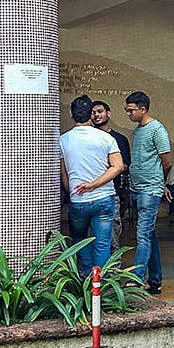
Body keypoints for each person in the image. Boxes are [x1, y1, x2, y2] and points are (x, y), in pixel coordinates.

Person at [60, 95, 123, 277]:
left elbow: (63, 173)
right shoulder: (106, 138)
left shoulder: (63, 140)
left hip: (78, 200)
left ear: (71, 114)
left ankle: (87, 278)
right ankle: (101, 284)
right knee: (103, 243)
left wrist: (73, 191)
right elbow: (117, 166)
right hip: (104, 198)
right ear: (91, 114)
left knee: (79, 239)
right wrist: (94, 185)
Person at [125, 91, 172, 294]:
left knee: (142, 235)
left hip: (149, 190)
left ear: (143, 109)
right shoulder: (137, 131)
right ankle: (155, 280)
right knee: (149, 235)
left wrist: (158, 181)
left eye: (131, 110)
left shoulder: (157, 129)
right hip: (136, 188)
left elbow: (167, 161)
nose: (128, 113)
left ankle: (136, 279)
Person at [91, 100, 131, 252]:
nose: (96, 115)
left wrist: (112, 166)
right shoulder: (88, 137)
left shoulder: (119, 139)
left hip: (112, 192)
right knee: (91, 240)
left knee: (113, 238)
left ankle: (113, 273)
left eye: (100, 111)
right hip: (89, 193)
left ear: (109, 114)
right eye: (93, 112)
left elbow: (126, 165)